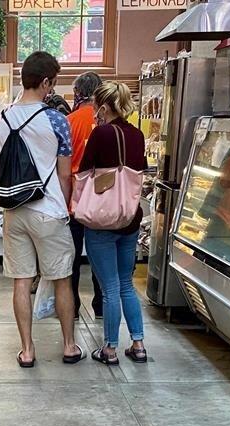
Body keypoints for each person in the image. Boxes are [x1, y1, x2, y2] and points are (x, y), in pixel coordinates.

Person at [0, 51, 84, 368]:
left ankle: (27, 350)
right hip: (49, 210)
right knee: (62, 279)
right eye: (52, 84)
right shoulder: (56, 120)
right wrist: (65, 207)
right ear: (45, 82)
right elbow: (65, 173)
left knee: (20, 281)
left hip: (14, 210)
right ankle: (69, 345)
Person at [81, 81, 148, 366]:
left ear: (104, 107)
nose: (95, 112)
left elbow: (84, 170)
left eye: (96, 107)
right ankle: (138, 344)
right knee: (125, 284)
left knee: (108, 287)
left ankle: (109, 349)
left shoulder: (101, 133)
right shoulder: (137, 134)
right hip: (129, 219)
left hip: (102, 220)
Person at [66, 71, 103, 319]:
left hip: (75, 198)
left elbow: (62, 164)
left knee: (72, 257)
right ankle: (101, 305)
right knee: (100, 255)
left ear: (78, 92)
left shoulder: (70, 121)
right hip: (102, 198)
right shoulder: (108, 120)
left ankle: (73, 307)